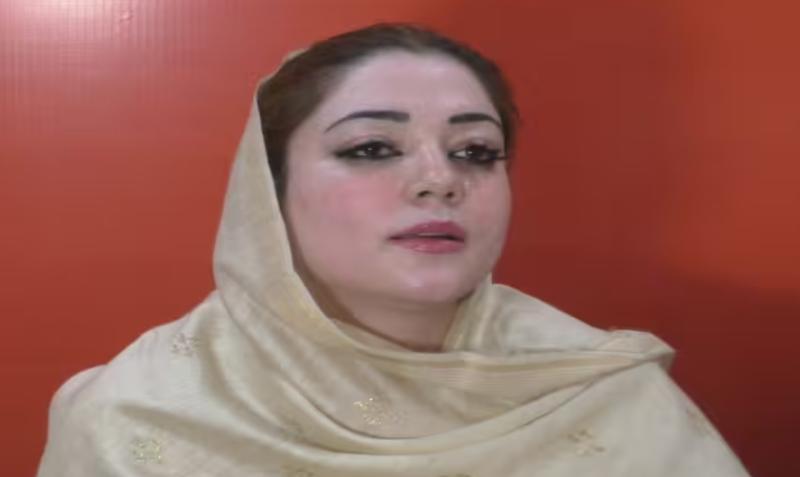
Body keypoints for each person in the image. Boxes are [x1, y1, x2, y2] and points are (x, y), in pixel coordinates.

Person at [37, 23, 750, 476]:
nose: (441, 180)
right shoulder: (138, 416)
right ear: (266, 191)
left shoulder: (605, 392)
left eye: (476, 151)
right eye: (373, 148)